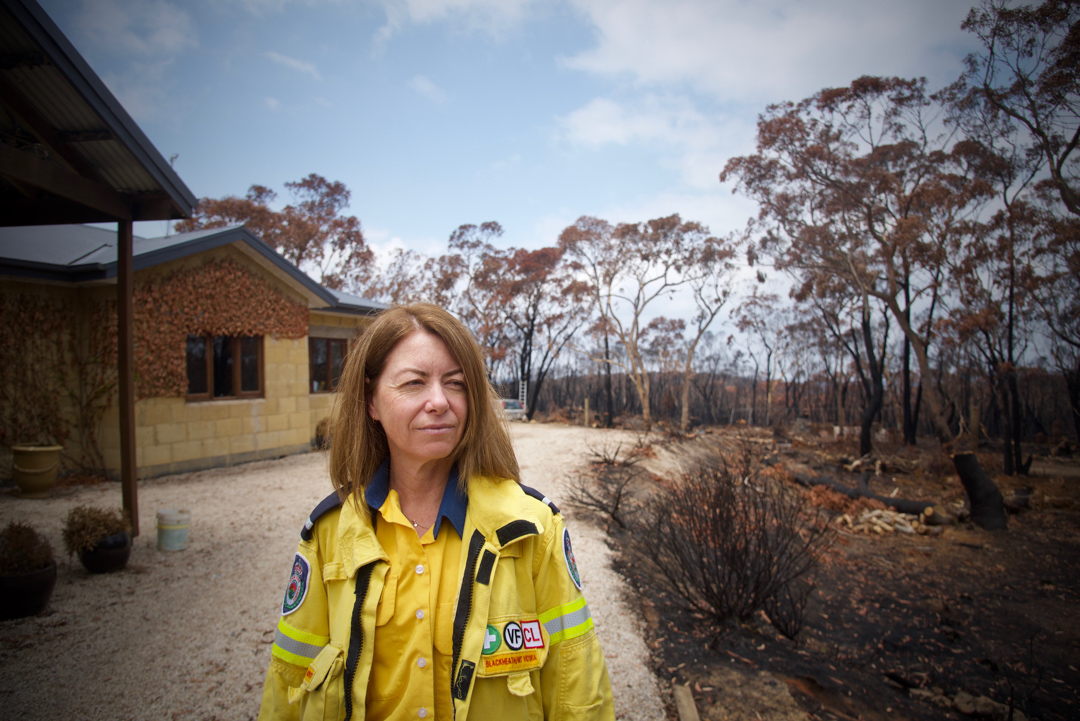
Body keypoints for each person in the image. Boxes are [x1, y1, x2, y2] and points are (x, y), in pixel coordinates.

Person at [258, 303, 615, 721]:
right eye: (413, 383)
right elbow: (289, 683)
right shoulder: (329, 535)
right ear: (371, 401)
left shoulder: (532, 529)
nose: (439, 401)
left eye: (456, 383)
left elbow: (576, 685)